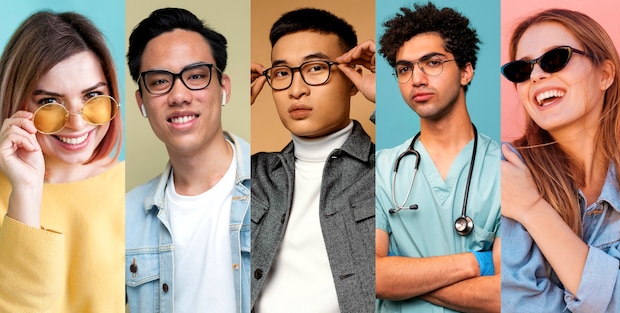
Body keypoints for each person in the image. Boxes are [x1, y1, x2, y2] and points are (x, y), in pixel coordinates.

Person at [375, 2, 501, 312]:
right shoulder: (380, 169)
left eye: (432, 63)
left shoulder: (508, 169)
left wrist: (403, 281)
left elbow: (503, 295)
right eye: (405, 68)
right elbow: (372, 277)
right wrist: (475, 262)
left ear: (466, 71)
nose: (416, 78)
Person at [249, 7, 376, 313]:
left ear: (352, 78)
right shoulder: (253, 174)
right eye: (281, 73)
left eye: (316, 68)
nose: (296, 89)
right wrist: (225, 103)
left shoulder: (386, 171)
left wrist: (389, 91)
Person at [500, 8, 620, 312]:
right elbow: (519, 303)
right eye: (521, 69)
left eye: (555, 59)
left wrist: (533, 210)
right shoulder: (504, 168)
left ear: (605, 75)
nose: (537, 75)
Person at [125, 8, 250, 313]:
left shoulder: (280, 183)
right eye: (159, 81)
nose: (179, 95)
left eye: (195, 76)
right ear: (141, 101)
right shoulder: (126, 215)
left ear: (224, 88)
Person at [0, 11, 124, 312]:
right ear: (16, 105)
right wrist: (26, 193)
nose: (77, 124)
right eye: (49, 103)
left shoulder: (136, 191)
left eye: (92, 95)